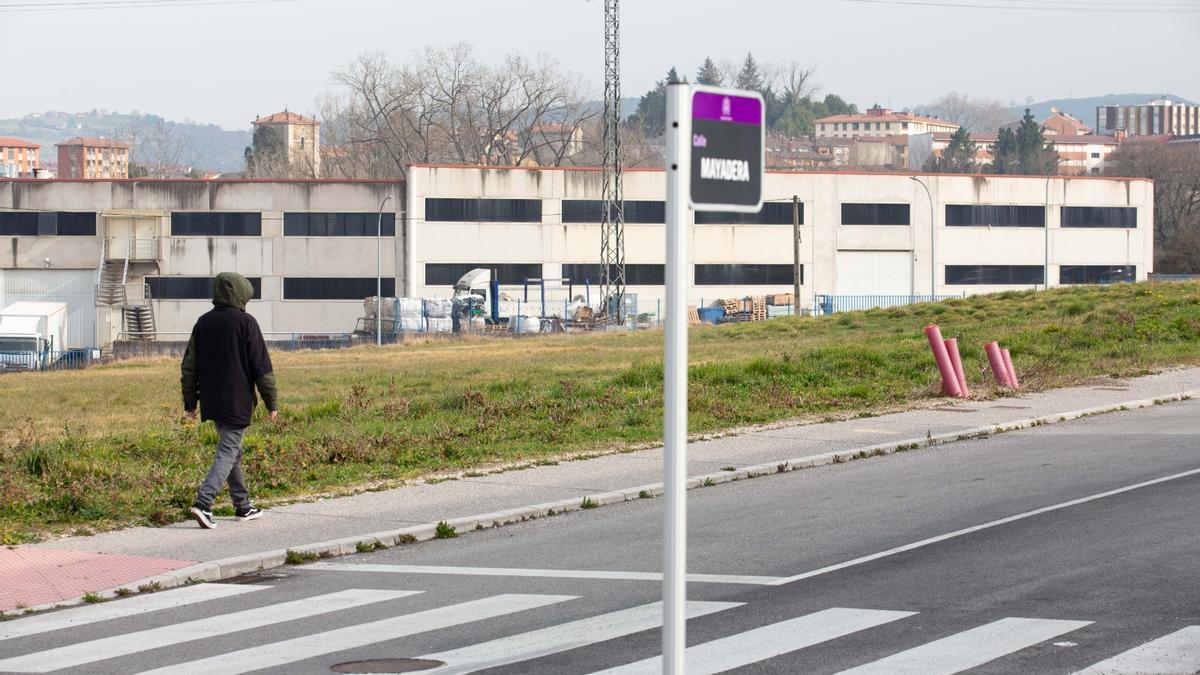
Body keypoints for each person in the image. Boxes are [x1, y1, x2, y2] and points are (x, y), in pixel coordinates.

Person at [181, 272, 278, 529]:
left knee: (232, 449)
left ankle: (243, 506)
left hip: (212, 398)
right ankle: (204, 503)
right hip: (237, 399)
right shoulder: (246, 323)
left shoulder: (203, 323)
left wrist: (190, 402)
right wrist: (272, 403)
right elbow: (262, 367)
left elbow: (189, 366)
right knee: (228, 450)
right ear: (240, 293)